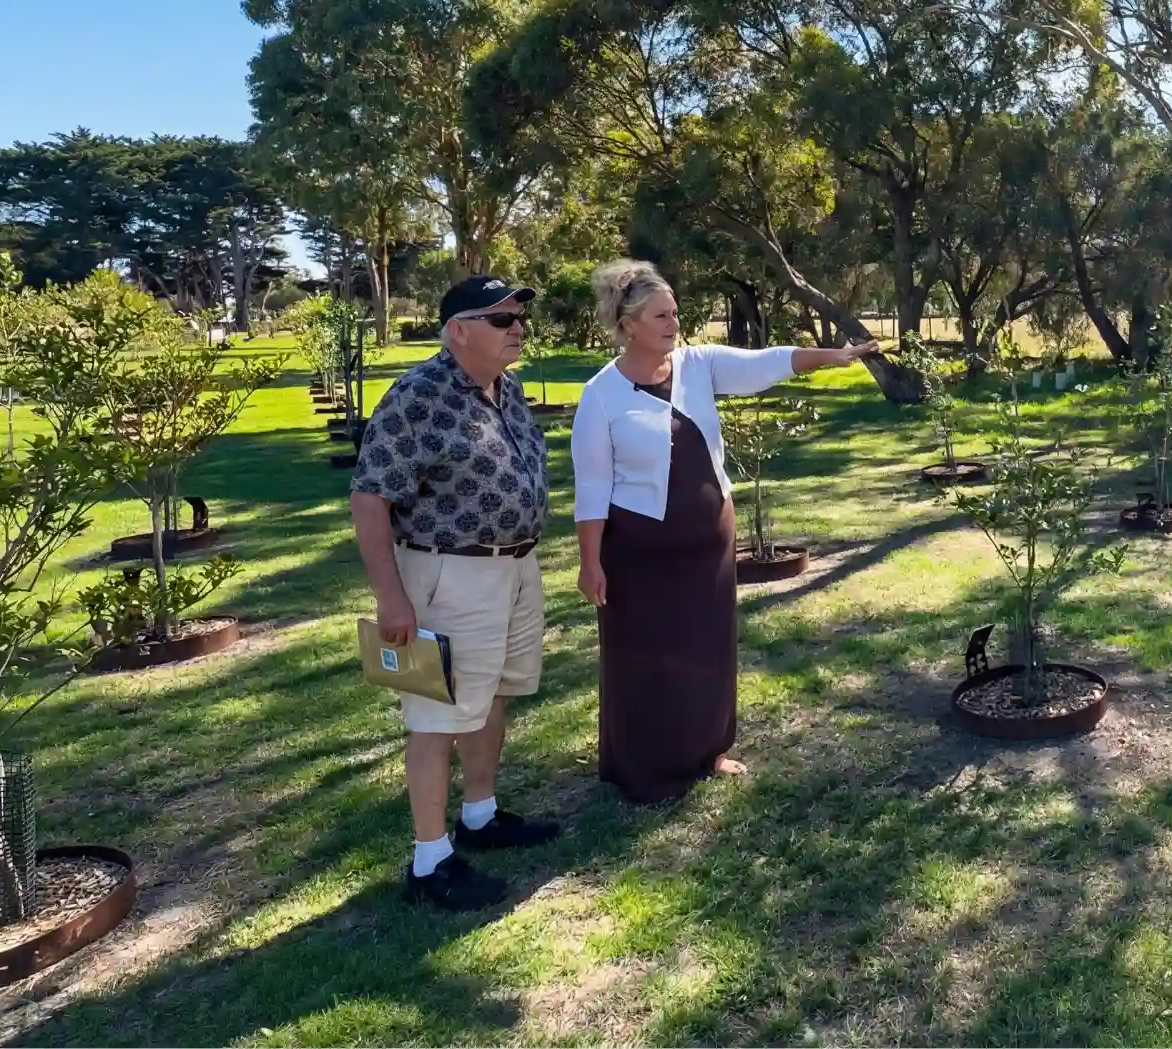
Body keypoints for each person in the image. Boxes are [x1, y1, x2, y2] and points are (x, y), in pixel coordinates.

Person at [571, 260, 877, 802]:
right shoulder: (601, 395)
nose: (674, 323)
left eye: (675, 313)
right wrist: (590, 560)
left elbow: (767, 363)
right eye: (661, 315)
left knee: (708, 648)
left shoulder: (697, 365)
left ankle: (707, 751)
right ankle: (645, 766)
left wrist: (834, 356)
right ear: (629, 324)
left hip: (707, 541)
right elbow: (592, 487)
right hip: (639, 554)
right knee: (643, 656)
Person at [349, 274, 562, 911]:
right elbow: (369, 499)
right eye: (501, 320)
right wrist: (391, 599)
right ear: (458, 331)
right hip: (447, 574)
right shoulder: (417, 396)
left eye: (520, 317)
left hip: (515, 569)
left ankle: (480, 814)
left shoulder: (508, 387)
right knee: (436, 719)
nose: (517, 328)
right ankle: (429, 860)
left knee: (493, 691)